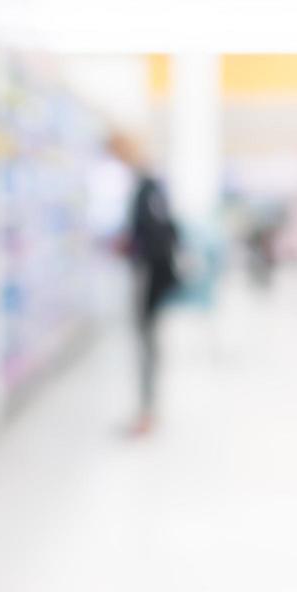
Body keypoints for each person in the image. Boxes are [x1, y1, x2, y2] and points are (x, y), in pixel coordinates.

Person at [127, 171, 179, 436]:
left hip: (149, 286)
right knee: (151, 346)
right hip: (157, 286)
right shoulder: (157, 199)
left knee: (147, 346)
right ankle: (149, 409)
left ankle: (147, 411)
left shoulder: (144, 196)